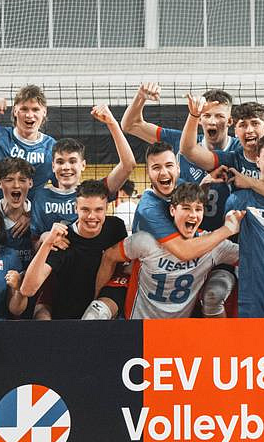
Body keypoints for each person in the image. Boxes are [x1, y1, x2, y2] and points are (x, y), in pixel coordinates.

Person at [98, 184, 243, 319]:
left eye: (198, 209)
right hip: (138, 324)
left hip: (176, 331)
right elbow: (109, 256)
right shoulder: (146, 240)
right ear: (172, 210)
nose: (193, 215)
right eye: (186, 208)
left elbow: (250, 258)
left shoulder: (213, 245)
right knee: (96, 311)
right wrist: (98, 295)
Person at [122, 82, 238, 232]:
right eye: (207, 115)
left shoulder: (239, 151)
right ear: (200, 119)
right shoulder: (181, 141)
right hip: (185, 234)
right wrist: (140, 97)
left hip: (229, 235)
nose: (212, 121)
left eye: (219, 116)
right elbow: (130, 125)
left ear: (230, 121)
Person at [178, 97, 264, 213]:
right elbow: (189, 150)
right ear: (236, 131)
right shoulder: (231, 159)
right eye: (243, 125)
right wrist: (194, 115)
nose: (249, 130)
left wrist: (249, 182)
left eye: (255, 123)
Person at [20, 179, 126, 320]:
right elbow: (27, 289)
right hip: (66, 315)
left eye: (98, 209)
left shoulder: (116, 227)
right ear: (76, 208)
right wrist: (47, 243)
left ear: (106, 208)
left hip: (103, 309)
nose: (92, 216)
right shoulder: (62, 240)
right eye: (85, 209)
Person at [30, 105, 136, 232]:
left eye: (72, 161)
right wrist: (44, 237)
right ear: (53, 166)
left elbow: (128, 165)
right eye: (60, 162)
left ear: (83, 165)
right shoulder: (41, 196)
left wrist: (112, 123)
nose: (66, 167)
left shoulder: (96, 191)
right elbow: (35, 239)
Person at [0, 157, 37, 268]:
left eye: (22, 180)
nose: (16, 185)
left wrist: (32, 214)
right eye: (9, 180)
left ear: (30, 183)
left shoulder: (39, 213)